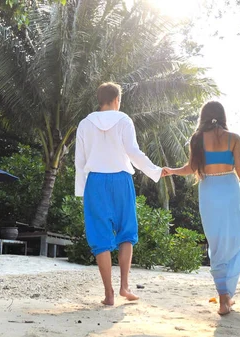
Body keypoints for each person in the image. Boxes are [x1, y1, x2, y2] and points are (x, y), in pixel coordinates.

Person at [162, 101, 240, 315]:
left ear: (203, 117)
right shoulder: (234, 138)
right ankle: (227, 296)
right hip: (231, 188)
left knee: (215, 242)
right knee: (236, 237)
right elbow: (239, 167)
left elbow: (190, 168)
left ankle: (223, 298)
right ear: (222, 116)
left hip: (209, 191)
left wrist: (172, 171)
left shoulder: (197, 139)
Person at [75, 82, 162, 306]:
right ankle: (124, 286)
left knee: (100, 236)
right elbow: (134, 152)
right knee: (126, 232)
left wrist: (82, 191)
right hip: (121, 180)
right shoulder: (124, 120)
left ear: (99, 99)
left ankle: (109, 294)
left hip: (95, 181)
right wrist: (156, 171)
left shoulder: (85, 124)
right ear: (117, 100)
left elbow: (80, 161)